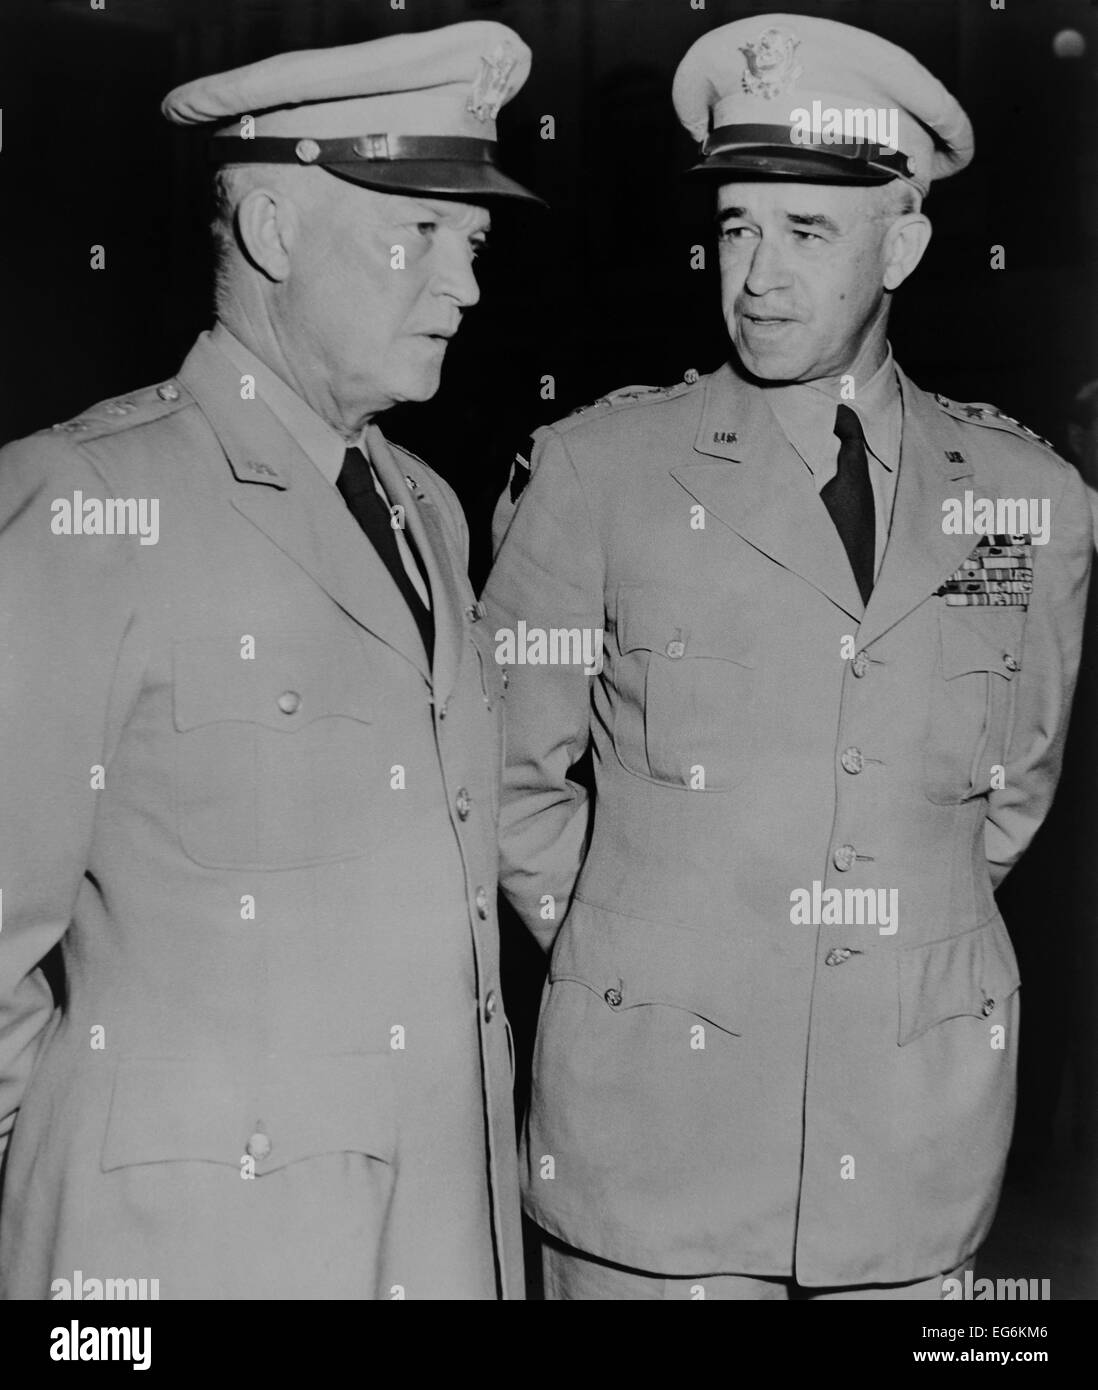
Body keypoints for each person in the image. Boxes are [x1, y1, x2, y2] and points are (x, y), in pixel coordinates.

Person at [484, 13, 1091, 1300]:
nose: (756, 275)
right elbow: (509, 784)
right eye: (737, 228)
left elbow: (1008, 787)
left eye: (807, 232)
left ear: (907, 244)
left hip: (912, 1153)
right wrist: (650, 955)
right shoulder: (601, 476)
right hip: (654, 1157)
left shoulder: (1025, 500)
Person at [0, 20, 540, 1300]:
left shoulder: (428, 509)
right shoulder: (86, 504)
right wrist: (97, 1181)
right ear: (273, 232)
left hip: (431, 1243)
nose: (464, 287)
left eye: (473, 244)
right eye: (419, 233)